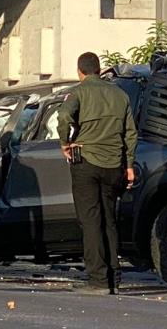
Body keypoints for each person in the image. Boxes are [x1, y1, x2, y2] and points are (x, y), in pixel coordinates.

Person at [58, 52, 138, 295]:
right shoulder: (120, 94)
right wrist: (130, 165)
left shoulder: (79, 92)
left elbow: (63, 116)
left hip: (86, 161)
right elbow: (131, 133)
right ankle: (114, 277)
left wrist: (65, 142)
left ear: (80, 71)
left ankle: (98, 280)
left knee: (91, 220)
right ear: (100, 69)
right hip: (114, 164)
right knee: (109, 220)